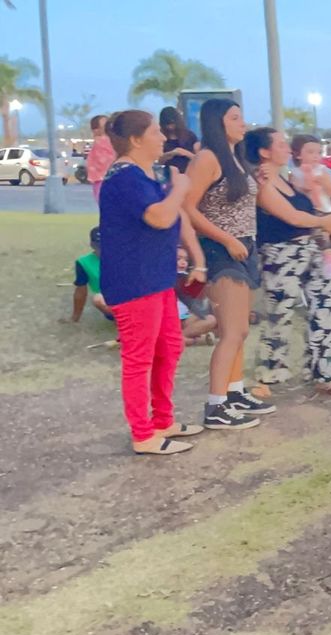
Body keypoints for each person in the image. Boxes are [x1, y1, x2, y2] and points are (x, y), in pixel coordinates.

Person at [99, 109, 207, 455]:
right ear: (135, 140)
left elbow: (173, 219)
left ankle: (163, 419)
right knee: (139, 358)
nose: (164, 138)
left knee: (169, 347)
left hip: (156, 278)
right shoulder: (124, 178)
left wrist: (194, 258)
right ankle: (143, 433)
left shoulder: (144, 176)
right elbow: (161, 217)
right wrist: (179, 189)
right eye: (156, 132)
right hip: (134, 282)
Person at [184, 98, 274, 430]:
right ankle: (216, 406)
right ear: (217, 123)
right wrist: (226, 239)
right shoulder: (207, 159)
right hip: (223, 252)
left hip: (245, 248)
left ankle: (233, 392)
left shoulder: (235, 160)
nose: (243, 123)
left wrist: (261, 183)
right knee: (231, 332)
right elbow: (188, 208)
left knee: (240, 330)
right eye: (235, 118)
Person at [244, 127, 331, 399]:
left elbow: (320, 204)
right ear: (264, 152)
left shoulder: (286, 179)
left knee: (324, 309)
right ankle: (267, 374)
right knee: (279, 313)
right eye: (280, 144)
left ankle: (324, 373)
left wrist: (326, 240)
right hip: (281, 254)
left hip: (310, 249)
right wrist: (323, 222)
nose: (286, 148)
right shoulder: (261, 182)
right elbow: (291, 216)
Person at [69, 227, 113, 322]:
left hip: (132, 299)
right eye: (100, 247)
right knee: (98, 299)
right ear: (92, 245)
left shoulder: (126, 257)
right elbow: (81, 291)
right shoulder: (84, 263)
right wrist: (75, 317)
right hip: (109, 302)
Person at [289, 134, 331, 214]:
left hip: (325, 210)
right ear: (298, 154)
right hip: (305, 211)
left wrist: (325, 183)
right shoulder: (295, 173)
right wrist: (307, 177)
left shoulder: (322, 170)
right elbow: (299, 191)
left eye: (319, 153)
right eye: (310, 152)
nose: (316, 156)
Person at [159, 106, 199, 176]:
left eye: (172, 123)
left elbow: (199, 160)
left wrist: (186, 153)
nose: (170, 127)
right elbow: (156, 164)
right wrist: (165, 157)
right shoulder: (160, 138)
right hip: (168, 175)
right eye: (167, 124)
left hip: (189, 174)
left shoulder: (190, 136)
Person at [86, 114, 117, 203]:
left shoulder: (106, 141)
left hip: (102, 180)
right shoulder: (103, 141)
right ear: (96, 130)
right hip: (103, 180)